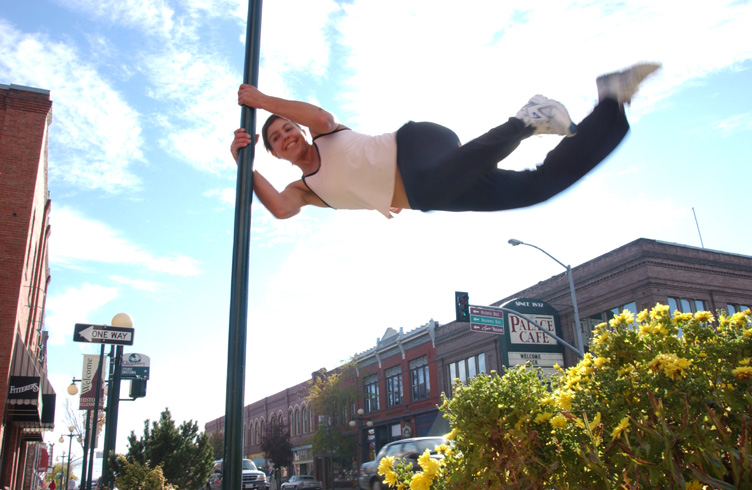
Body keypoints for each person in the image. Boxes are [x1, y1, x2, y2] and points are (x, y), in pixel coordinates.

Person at [232, 63, 660, 219]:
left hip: (418, 146)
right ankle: (611, 100)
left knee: (428, 187)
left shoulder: (324, 132)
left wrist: (261, 100)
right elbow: (280, 208)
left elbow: (316, 116)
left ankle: (527, 120)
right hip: (436, 189)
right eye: (276, 138)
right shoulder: (305, 190)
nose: (286, 135)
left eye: (287, 127)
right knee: (536, 188)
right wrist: (242, 161)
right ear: (274, 154)